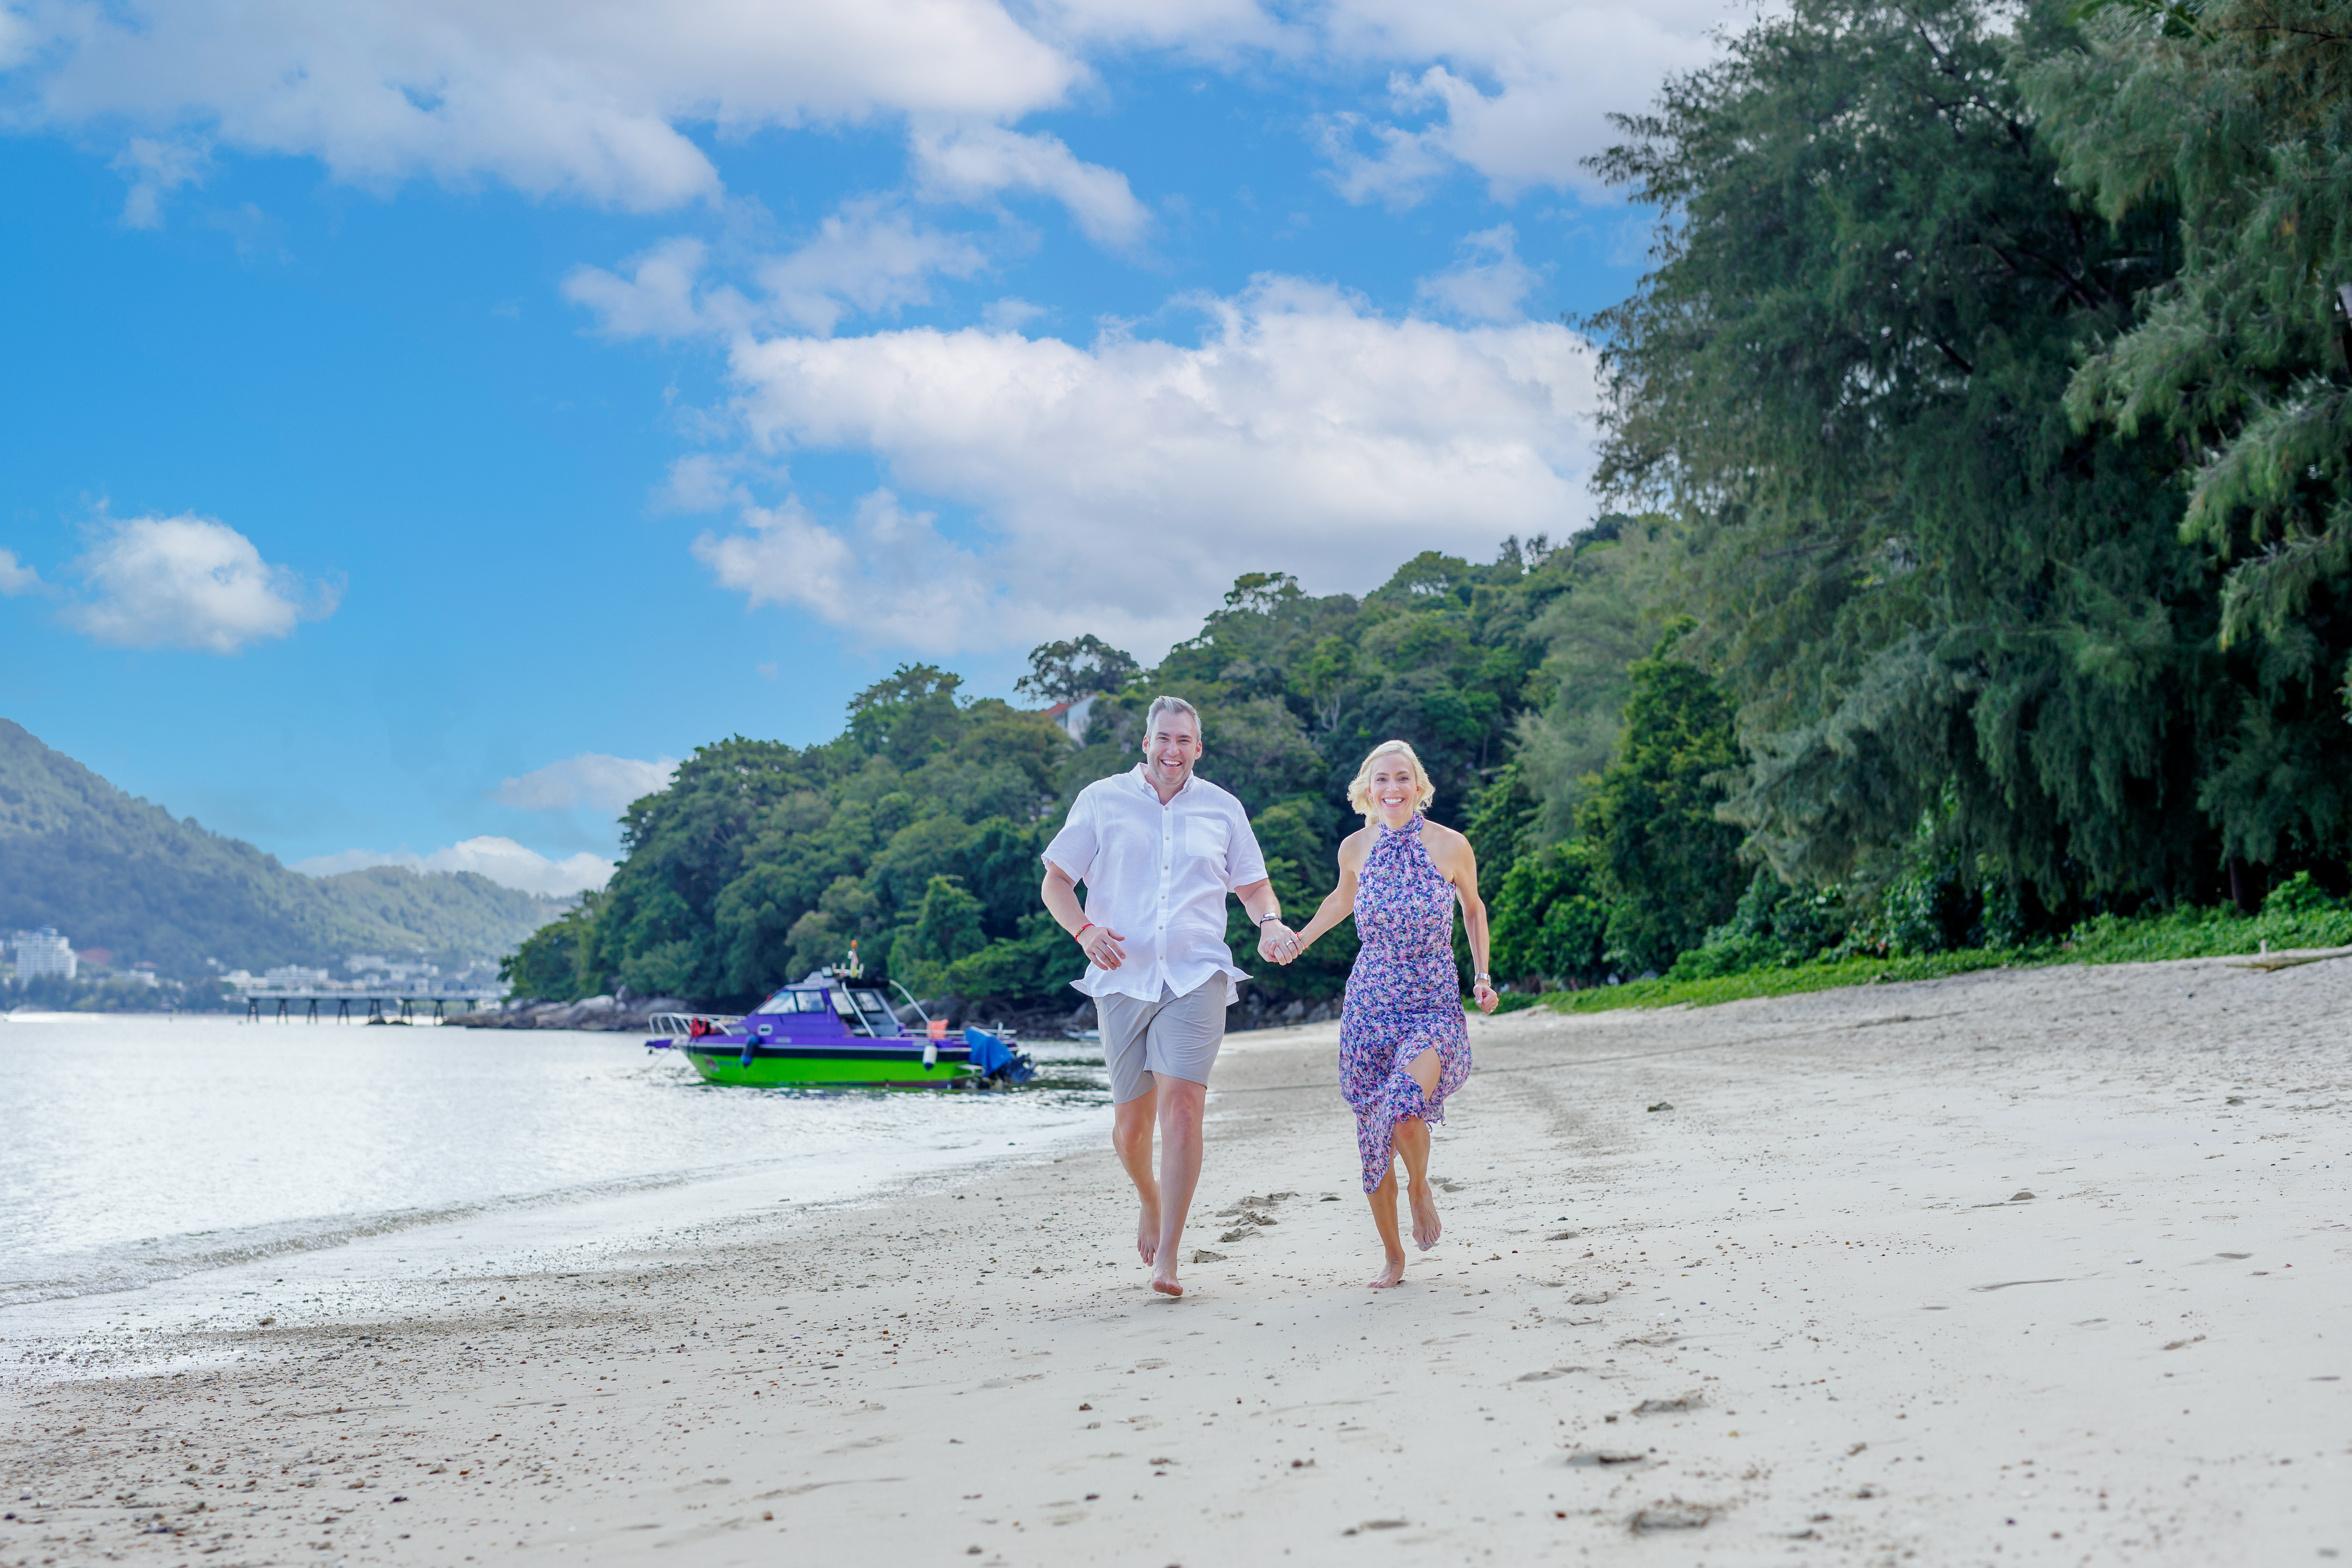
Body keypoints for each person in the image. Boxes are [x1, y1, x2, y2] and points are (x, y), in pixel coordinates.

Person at [1040, 695, 1294, 1298]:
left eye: (1184, 741)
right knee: (1132, 1128)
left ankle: (1170, 1260)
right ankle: (1149, 1197)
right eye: (1163, 739)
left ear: (1198, 748)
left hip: (1196, 973)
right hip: (1123, 976)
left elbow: (1253, 885)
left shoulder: (1223, 809)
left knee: (1182, 1107)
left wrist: (1271, 924)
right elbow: (1056, 881)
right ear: (1146, 744)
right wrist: (1084, 930)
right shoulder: (1102, 800)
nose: (1173, 751)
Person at [1274, 739, 1497, 1289]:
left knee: (1403, 1105)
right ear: (1367, 790)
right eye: (1382, 780)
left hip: (1432, 1002)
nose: (1392, 788)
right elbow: (1340, 900)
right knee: (1374, 1131)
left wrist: (1483, 976)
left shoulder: (1451, 846)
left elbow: (1473, 908)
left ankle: (1420, 1188)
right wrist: (1299, 940)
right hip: (1370, 1006)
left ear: (1419, 787)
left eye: (1403, 778)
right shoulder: (1355, 848)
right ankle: (1394, 1258)